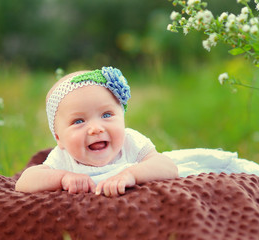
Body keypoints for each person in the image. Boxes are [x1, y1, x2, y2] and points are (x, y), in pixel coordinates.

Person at [15, 66, 179, 196]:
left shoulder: (130, 142)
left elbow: (167, 166)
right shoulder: (64, 159)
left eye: (106, 115)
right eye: (79, 121)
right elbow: (25, 182)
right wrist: (63, 178)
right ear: (59, 139)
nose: (95, 129)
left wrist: (131, 175)